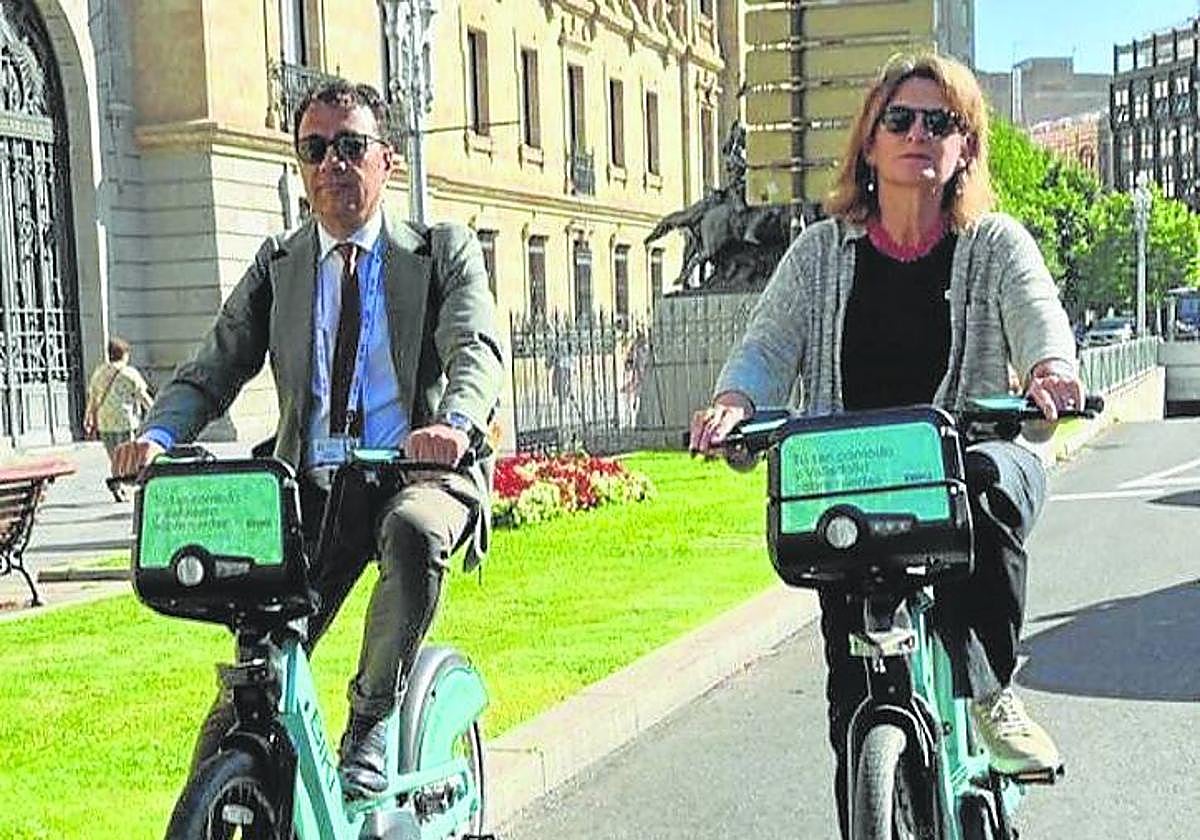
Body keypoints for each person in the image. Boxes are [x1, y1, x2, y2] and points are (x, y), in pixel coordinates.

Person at [688, 53, 1083, 838]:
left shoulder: (995, 245)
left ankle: (990, 693)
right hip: (856, 484)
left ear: (965, 148)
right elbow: (766, 348)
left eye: (941, 122)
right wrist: (735, 404)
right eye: (899, 119)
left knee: (984, 480)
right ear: (869, 143)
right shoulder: (819, 254)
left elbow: (1040, 318)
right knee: (852, 708)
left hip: (971, 464)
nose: (917, 134)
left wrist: (1050, 372)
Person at [113, 78, 504, 797]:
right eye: (316, 149)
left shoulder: (440, 251)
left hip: (416, 471)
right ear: (300, 165)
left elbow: (474, 346)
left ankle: (373, 719)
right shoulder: (279, 264)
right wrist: (158, 436)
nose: (333, 164)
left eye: (351, 146)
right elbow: (213, 366)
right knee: (252, 684)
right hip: (312, 489)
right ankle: (223, 796)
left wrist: (453, 424)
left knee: (415, 531)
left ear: (386, 159)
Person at [84, 336, 153, 502]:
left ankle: (117, 484)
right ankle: (130, 483)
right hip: (125, 420)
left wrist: (89, 417)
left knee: (114, 456)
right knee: (128, 456)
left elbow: (93, 398)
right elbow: (143, 396)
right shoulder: (129, 373)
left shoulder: (99, 372)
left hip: (105, 421)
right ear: (125, 354)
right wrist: (154, 411)